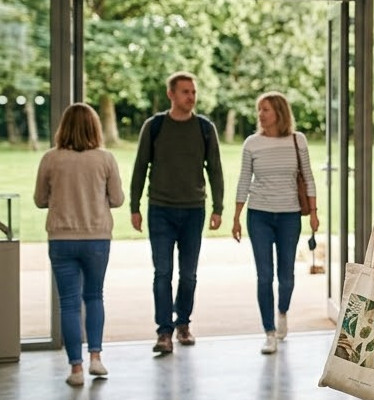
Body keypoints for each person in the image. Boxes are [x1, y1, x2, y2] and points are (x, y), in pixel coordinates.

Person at [130, 71, 225, 353]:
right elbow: (140, 167)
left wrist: (218, 207)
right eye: (185, 92)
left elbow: (216, 170)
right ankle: (164, 332)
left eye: (193, 92)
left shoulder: (205, 128)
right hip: (160, 209)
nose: (191, 97)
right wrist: (134, 207)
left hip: (194, 210)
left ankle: (183, 324)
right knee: (162, 272)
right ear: (171, 94)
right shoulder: (155, 126)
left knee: (189, 274)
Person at [35, 103, 124, 386]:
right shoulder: (105, 159)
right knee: (94, 296)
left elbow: (39, 199)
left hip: (61, 238)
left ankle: (75, 369)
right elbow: (118, 199)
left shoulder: (51, 158)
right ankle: (96, 358)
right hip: (97, 237)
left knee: (70, 304)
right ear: (95, 128)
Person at [229, 91, 319, 354]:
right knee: (264, 275)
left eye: (265, 109)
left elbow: (309, 178)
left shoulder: (297, 140)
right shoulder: (251, 144)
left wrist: (313, 212)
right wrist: (236, 217)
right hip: (259, 215)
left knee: (286, 275)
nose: (260, 114)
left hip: (290, 215)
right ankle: (268, 331)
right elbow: (244, 181)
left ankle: (282, 311)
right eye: (259, 109)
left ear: (279, 112)